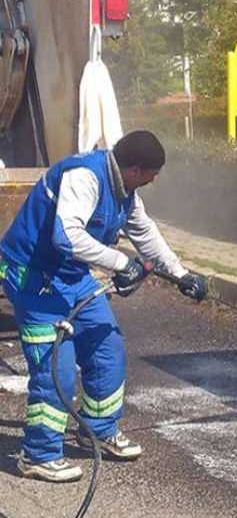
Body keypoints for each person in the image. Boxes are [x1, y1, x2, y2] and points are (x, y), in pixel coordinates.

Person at [0, 130, 207, 482]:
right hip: (32, 276)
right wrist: (120, 262)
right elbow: (67, 237)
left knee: (106, 345)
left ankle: (96, 429)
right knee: (57, 368)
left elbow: (145, 233)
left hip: (71, 275)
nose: (154, 180)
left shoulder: (125, 191)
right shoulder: (83, 177)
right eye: (152, 173)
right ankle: (39, 454)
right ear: (135, 169)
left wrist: (181, 274)